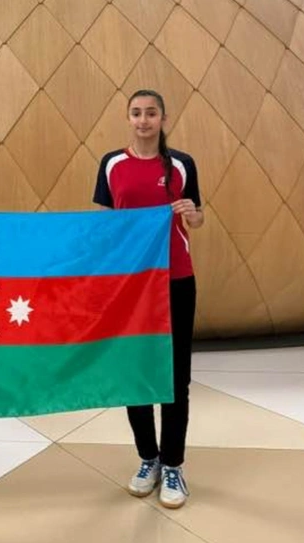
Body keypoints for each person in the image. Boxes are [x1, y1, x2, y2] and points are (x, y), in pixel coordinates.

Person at [92, 89, 203, 509]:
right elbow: (104, 223)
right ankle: (148, 459)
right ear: (128, 118)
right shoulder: (112, 164)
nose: (143, 120)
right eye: (136, 113)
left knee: (176, 377)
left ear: (163, 118)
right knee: (133, 371)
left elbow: (198, 217)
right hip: (130, 284)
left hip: (176, 279)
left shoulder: (182, 164)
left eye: (151, 113)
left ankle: (173, 464)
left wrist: (191, 213)